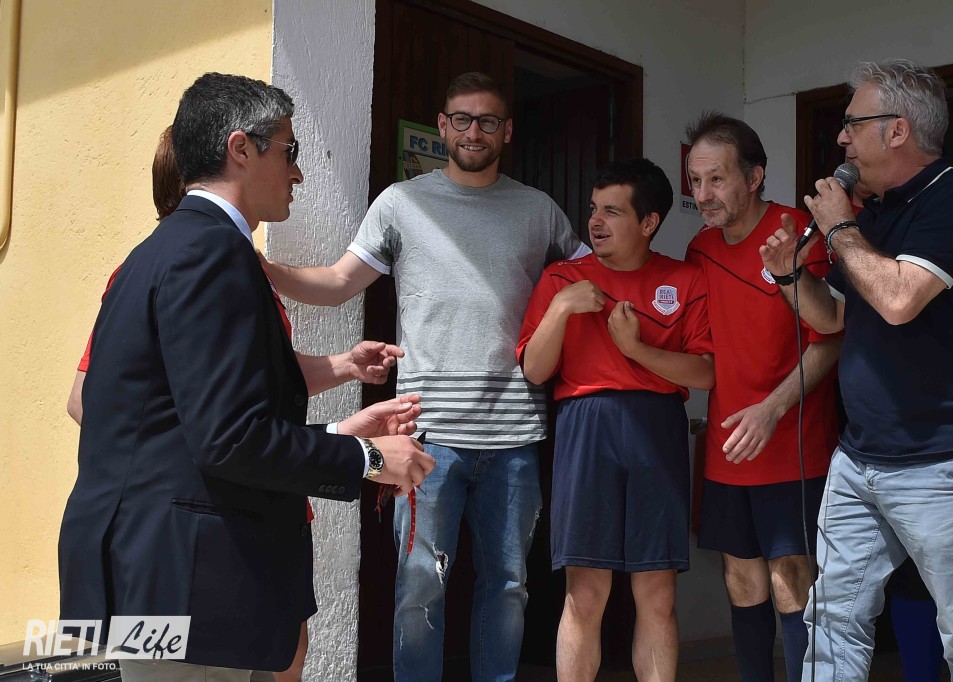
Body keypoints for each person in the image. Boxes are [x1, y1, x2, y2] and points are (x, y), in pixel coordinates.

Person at [57, 72, 435, 682]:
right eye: (289, 150)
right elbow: (229, 438)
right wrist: (367, 458)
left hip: (156, 575)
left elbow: (189, 427)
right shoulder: (212, 253)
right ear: (241, 149)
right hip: (186, 583)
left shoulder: (155, 253)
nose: (298, 173)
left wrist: (340, 431)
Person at [261, 72, 588, 681]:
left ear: (507, 131)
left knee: (509, 587)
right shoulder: (401, 204)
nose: (473, 131)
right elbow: (338, 283)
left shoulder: (538, 210)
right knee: (418, 589)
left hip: (515, 435)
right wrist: (261, 267)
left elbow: (593, 276)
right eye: (461, 119)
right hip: (424, 432)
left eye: (487, 121)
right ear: (442, 126)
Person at [759, 58, 953, 679]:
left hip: (939, 462)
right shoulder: (873, 216)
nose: (841, 138)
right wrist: (789, 276)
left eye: (852, 124)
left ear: (897, 130)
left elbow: (899, 299)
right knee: (831, 620)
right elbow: (834, 318)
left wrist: (839, 227)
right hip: (858, 457)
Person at [516, 157, 713, 682]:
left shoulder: (684, 278)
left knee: (658, 592)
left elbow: (706, 372)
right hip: (585, 427)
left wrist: (637, 350)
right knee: (584, 593)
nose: (595, 222)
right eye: (593, 209)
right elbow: (535, 369)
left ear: (649, 222)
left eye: (612, 211)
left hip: (657, 426)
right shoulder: (562, 278)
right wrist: (561, 308)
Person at [682, 112, 841, 682]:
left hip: (793, 444)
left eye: (717, 179)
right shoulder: (699, 249)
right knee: (741, 579)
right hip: (728, 445)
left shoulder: (797, 234)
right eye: (695, 180)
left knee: (790, 579)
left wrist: (773, 408)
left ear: (754, 177)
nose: (703, 194)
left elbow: (831, 338)